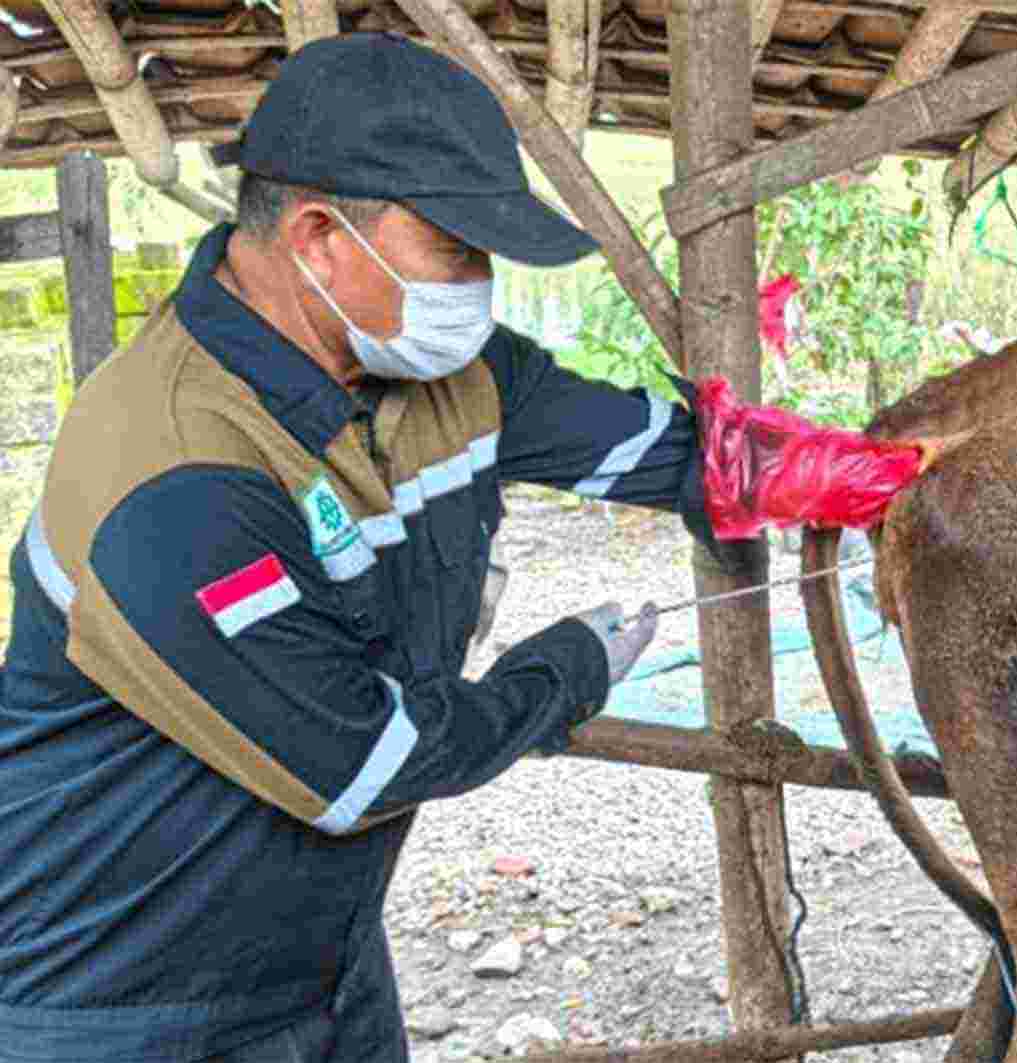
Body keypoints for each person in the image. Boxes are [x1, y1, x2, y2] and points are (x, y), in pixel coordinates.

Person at [0, 32, 755, 1062]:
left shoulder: (446, 373)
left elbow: (667, 456)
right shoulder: (174, 469)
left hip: (325, 966)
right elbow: (363, 764)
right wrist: (566, 671)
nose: (478, 285)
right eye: (456, 247)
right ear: (318, 235)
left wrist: (865, 473)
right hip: (116, 1003)